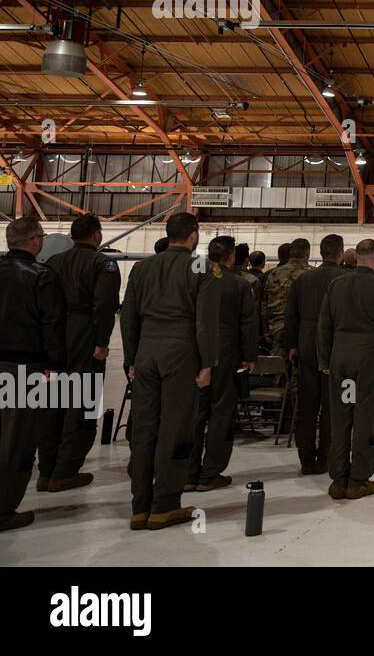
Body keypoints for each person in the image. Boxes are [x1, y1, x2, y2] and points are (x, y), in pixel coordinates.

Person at [120, 212, 215, 531]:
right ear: (193, 234)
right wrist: (207, 362)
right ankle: (164, 504)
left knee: (145, 428)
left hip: (146, 351)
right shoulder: (200, 266)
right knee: (176, 427)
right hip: (181, 350)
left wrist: (131, 358)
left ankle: (139, 506)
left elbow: (128, 316)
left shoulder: (142, 267)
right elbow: (205, 320)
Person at [38, 213, 119, 493]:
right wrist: (101, 341)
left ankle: (46, 470)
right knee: (81, 403)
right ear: (96, 234)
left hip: (56, 336)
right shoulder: (102, 263)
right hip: (85, 335)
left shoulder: (53, 263)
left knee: (52, 403)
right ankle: (65, 471)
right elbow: (104, 305)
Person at [318, 239, 374, 500]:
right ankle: (358, 479)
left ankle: (338, 479)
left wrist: (325, 361)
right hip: (369, 359)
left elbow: (324, 325)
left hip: (340, 357)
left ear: (356, 257)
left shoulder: (336, 285)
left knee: (341, 416)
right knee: (366, 418)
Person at [0, 217, 65, 533]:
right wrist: (55, 365)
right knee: (17, 440)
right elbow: (51, 323)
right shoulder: (42, 276)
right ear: (35, 240)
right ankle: (3, 510)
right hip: (22, 370)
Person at [187, 236, 257, 492]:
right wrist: (249, 356)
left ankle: (189, 471)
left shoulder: (196, 279)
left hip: (196, 350)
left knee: (195, 413)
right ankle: (211, 472)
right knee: (221, 412)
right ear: (231, 257)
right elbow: (248, 323)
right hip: (227, 352)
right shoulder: (239, 284)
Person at [283, 234, 350, 474]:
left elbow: (291, 316)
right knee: (332, 406)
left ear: (320, 253)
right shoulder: (346, 279)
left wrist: (291, 345)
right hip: (335, 347)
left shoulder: (303, 280)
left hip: (306, 346)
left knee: (307, 406)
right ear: (340, 252)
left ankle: (306, 459)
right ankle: (326, 457)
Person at [261, 238, 311, 356]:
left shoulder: (274, 273)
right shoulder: (312, 274)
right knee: (300, 370)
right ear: (307, 253)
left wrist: (266, 333)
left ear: (291, 252)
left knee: (279, 369)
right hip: (303, 331)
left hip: (278, 328)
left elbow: (264, 306)